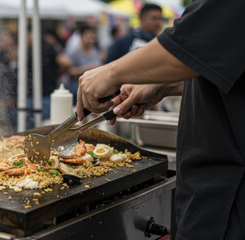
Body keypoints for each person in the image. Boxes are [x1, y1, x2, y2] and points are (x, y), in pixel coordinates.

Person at [76, 0, 245, 239]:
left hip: (227, 203)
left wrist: (109, 73)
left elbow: (190, 46)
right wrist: (163, 86)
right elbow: (223, 70)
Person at [66, 25, 100, 102]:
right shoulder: (74, 53)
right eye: (89, 38)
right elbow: (69, 72)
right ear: (82, 37)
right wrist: (87, 69)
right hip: (76, 92)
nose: (91, 41)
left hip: (91, 92)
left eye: (93, 38)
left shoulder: (94, 51)